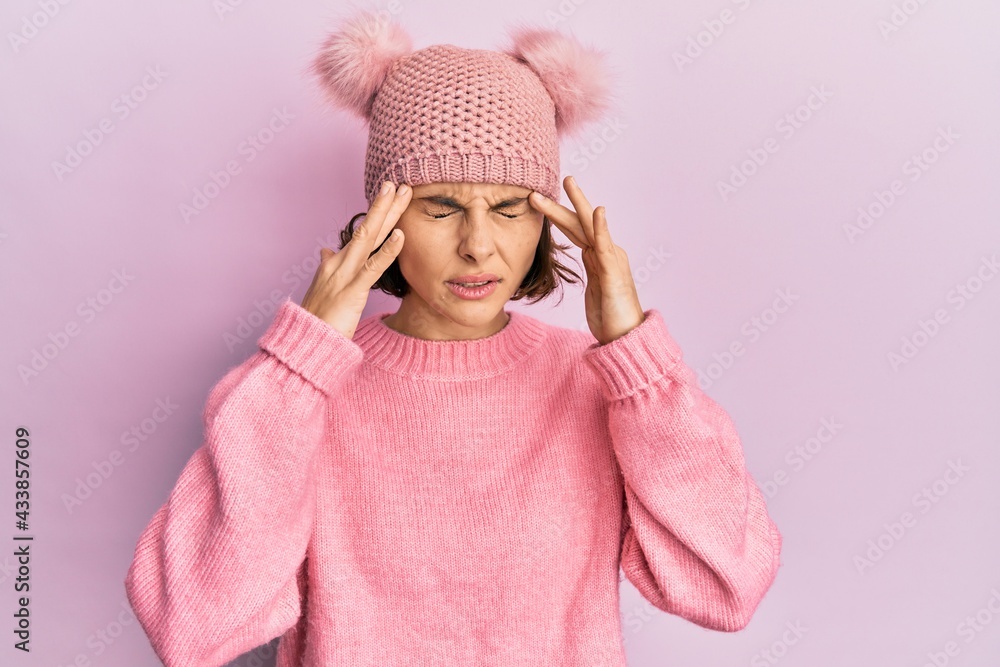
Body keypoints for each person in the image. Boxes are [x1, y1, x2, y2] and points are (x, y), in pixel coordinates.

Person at [123, 9, 782, 667]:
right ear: (385, 214)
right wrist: (299, 364)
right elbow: (192, 624)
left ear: (544, 219)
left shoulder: (595, 384)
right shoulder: (305, 395)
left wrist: (639, 362)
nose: (478, 245)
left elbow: (727, 582)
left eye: (509, 207)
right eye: (440, 206)